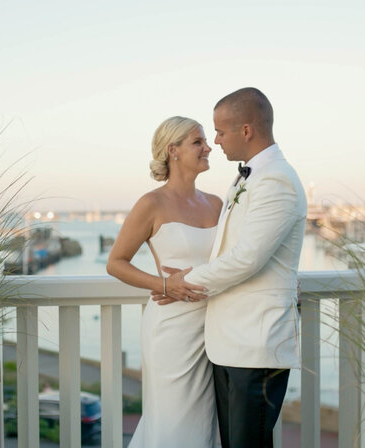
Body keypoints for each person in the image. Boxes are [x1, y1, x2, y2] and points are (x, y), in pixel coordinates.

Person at [154, 87, 307, 448]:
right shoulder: (247, 178)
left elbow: (248, 257)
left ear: (247, 130)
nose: (216, 141)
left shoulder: (276, 179)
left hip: (256, 342)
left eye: (220, 132)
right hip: (229, 344)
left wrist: (182, 281)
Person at [106, 116, 222, 447]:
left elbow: (236, 260)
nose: (208, 147)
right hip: (171, 330)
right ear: (173, 150)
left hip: (215, 327)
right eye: (198, 142)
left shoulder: (216, 204)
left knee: (204, 426)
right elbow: (116, 263)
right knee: (172, 423)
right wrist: (165, 285)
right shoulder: (151, 203)